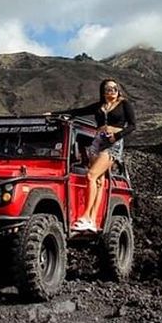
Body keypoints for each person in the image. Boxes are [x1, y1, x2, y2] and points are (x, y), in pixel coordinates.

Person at [50, 78, 136, 232]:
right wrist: (53, 114)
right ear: (103, 91)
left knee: (91, 176)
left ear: (118, 90)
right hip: (97, 141)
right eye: (107, 88)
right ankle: (94, 221)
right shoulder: (99, 106)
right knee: (98, 181)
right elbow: (77, 112)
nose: (111, 91)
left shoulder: (124, 105)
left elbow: (132, 125)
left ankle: (86, 217)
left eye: (114, 88)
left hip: (113, 142)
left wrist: (117, 136)